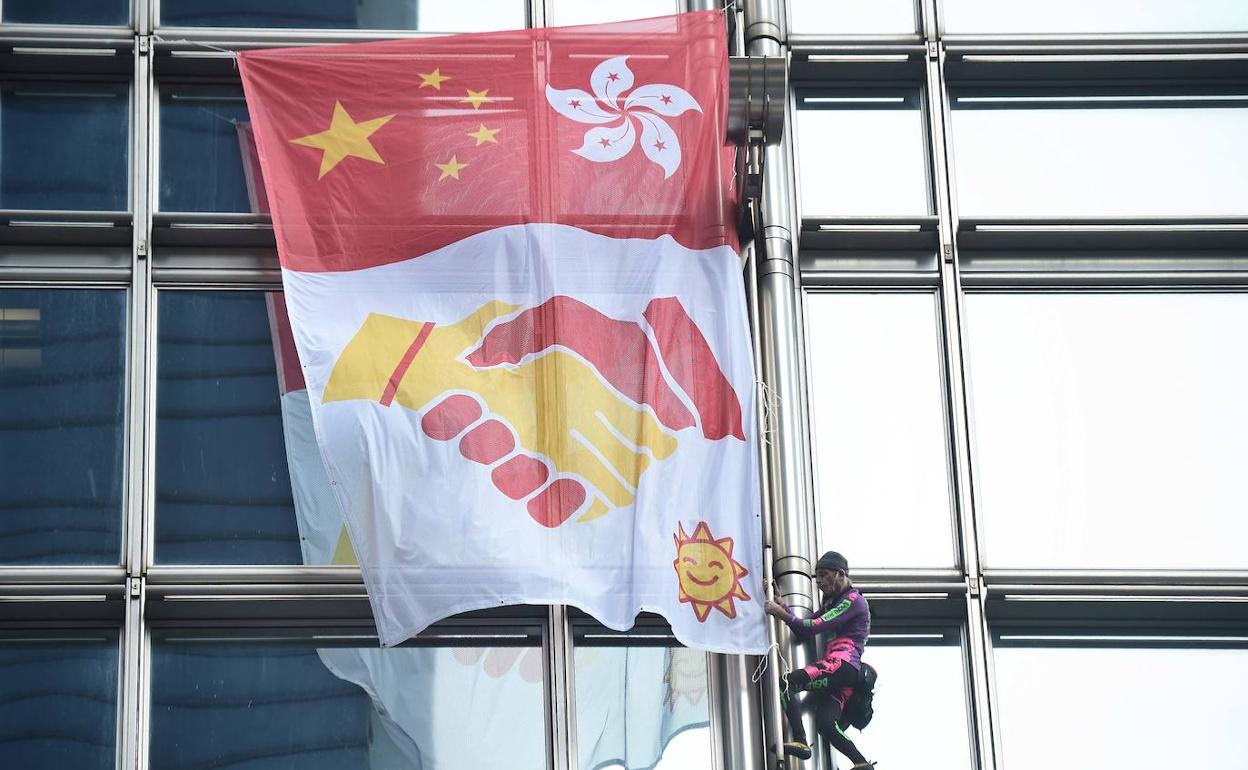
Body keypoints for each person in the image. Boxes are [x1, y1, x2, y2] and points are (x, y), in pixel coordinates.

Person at [765, 550, 875, 769]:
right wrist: (782, 605)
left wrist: (781, 613)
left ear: (840, 574)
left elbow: (814, 626)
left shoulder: (853, 600)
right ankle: (862, 764)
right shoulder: (833, 603)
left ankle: (801, 740)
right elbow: (803, 630)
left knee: (786, 683)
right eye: (817, 577)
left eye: (824, 575)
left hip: (842, 664)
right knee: (826, 724)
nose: (820, 582)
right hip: (842, 672)